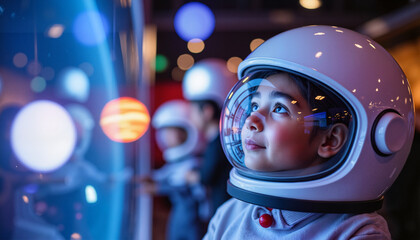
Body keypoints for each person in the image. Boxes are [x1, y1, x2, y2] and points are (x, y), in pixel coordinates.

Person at [204, 25, 414, 239]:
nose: (251, 120)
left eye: (279, 109)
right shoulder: (230, 214)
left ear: (330, 140)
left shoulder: (358, 233)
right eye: (255, 105)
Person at [139, 100, 207, 240]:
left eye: (172, 132)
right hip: (178, 216)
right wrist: (151, 178)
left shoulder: (195, 163)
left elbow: (180, 182)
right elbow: (167, 174)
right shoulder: (178, 163)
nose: (166, 138)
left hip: (192, 219)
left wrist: (157, 187)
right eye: (164, 133)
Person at [182, 59, 237, 219]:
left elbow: (206, 176)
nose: (190, 115)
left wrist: (189, 176)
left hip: (224, 210)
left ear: (207, 111)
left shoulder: (218, 143)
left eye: (192, 109)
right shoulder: (220, 141)